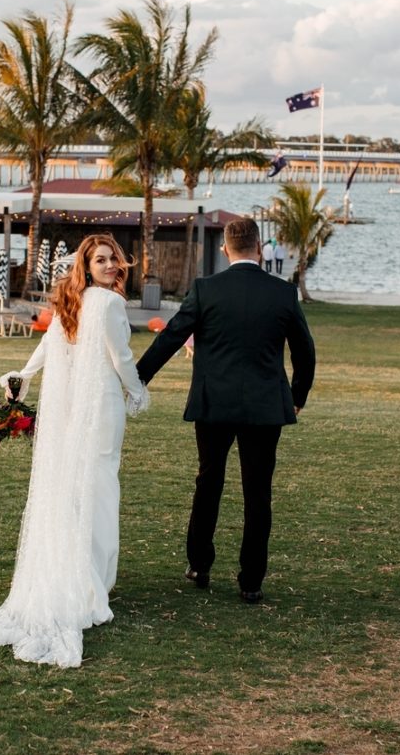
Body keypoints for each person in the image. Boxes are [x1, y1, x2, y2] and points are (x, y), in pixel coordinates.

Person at [0, 234, 149, 668]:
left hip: (75, 410)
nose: (112, 266)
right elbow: (121, 356)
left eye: (114, 259)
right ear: (86, 266)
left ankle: (81, 575)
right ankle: (93, 586)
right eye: (101, 260)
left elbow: (46, 345)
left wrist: (25, 374)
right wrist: (138, 392)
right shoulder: (108, 304)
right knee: (100, 492)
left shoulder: (73, 300)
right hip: (101, 409)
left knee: (77, 492)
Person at [136, 217, 315, 604]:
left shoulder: (206, 289)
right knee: (258, 491)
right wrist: (297, 395)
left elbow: (171, 336)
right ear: (261, 247)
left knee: (209, 481)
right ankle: (251, 580)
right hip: (266, 407)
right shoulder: (283, 292)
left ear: (225, 249)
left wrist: (138, 378)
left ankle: (199, 565)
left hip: (213, 403)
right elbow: (305, 350)